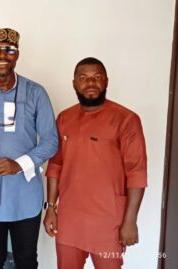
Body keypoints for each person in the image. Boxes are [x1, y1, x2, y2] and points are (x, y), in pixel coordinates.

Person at [0, 28, 58, 269]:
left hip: (25, 194)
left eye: (9, 49)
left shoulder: (36, 92)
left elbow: (51, 140)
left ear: (17, 54)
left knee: (26, 260)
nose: (2, 55)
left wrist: (20, 164)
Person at [43, 57, 147, 269]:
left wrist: (130, 221)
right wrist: (51, 208)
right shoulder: (64, 118)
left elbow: (136, 173)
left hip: (109, 222)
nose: (91, 83)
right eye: (83, 78)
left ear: (106, 81)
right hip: (70, 219)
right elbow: (55, 166)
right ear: (74, 83)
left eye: (97, 78)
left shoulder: (126, 119)